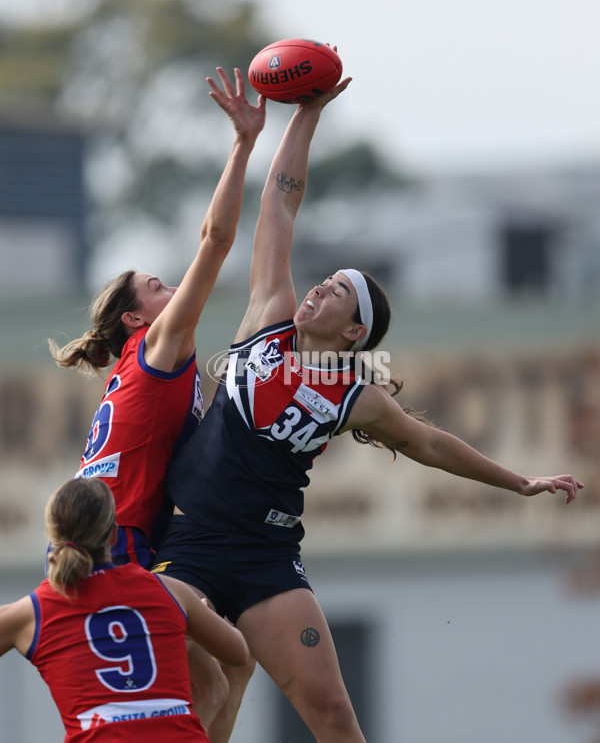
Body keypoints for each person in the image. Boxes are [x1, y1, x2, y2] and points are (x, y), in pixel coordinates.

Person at [151, 75, 584, 742]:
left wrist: (519, 482)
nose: (318, 289)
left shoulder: (357, 394)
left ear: (355, 333)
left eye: (336, 294)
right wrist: (306, 114)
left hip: (267, 556)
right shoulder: (267, 320)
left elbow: (430, 444)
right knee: (201, 695)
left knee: (333, 715)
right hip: (189, 545)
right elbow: (280, 208)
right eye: (324, 281)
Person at [48, 68, 265, 738]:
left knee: (215, 674)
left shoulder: (129, 377)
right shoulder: (159, 349)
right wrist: (242, 144)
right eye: (157, 285)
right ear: (136, 319)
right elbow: (216, 241)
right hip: (123, 547)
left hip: (87, 545)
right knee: (222, 672)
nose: (171, 290)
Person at [0, 477, 250, 743]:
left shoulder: (32, 612)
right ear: (114, 535)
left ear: (53, 538)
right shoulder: (169, 590)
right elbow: (238, 653)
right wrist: (188, 628)